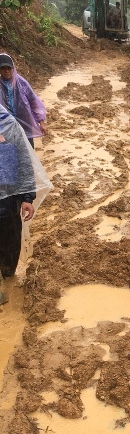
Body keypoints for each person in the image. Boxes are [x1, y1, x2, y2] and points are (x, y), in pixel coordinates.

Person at [0, 104, 52, 304]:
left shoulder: (8, 123)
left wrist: (27, 198)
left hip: (7, 200)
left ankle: (7, 274)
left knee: (10, 245)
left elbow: (23, 160)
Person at [0, 53, 48, 149]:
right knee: (10, 155)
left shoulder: (21, 83)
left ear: (13, 68)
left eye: (9, 68)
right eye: (3, 68)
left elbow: (34, 101)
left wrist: (41, 122)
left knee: (29, 155)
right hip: (5, 127)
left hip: (25, 125)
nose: (7, 71)